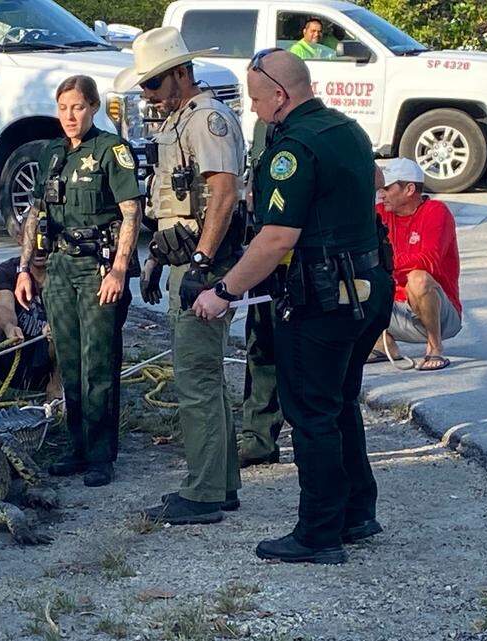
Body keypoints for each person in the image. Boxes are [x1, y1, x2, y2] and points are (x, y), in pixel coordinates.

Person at [192, 49, 393, 564]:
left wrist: (223, 293)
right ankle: (356, 512)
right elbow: (369, 185)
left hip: (321, 299)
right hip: (368, 287)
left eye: (258, 101)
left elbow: (278, 236)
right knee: (340, 402)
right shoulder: (344, 128)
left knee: (310, 414)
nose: (255, 111)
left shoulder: (294, 147)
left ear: (280, 95)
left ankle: (319, 534)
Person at [114, 26, 244, 524]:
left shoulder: (205, 118)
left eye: (152, 84)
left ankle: (205, 490)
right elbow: (174, 204)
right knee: (201, 374)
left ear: (180, 74)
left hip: (204, 264)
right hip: (184, 257)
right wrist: (156, 259)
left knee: (195, 375)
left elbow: (224, 193)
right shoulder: (178, 120)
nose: (146, 94)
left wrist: (203, 264)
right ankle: (221, 482)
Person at [14, 74, 142, 488]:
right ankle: (77, 448)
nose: (70, 116)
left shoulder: (111, 151)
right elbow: (35, 212)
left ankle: (102, 456)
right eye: (64, 107)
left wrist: (120, 270)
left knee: (98, 362)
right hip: (59, 267)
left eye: (79, 107)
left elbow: (130, 213)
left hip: (98, 268)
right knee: (68, 360)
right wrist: (24, 268)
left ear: (94, 108)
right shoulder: (53, 153)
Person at [373, 157, 462, 371]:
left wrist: (386, 263)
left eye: (387, 188)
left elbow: (428, 259)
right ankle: (383, 345)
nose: (381, 193)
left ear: (409, 189)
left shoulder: (436, 211)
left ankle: (434, 346)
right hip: (395, 310)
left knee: (418, 278)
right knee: (352, 274)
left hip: (441, 315)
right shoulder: (380, 212)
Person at [237, 118, 286, 468]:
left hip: (301, 259)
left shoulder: (313, 131)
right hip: (264, 253)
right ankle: (259, 437)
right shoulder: (259, 128)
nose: (253, 105)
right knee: (260, 345)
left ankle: (310, 434)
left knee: (299, 355)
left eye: (258, 97)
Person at [0, 243, 62, 406]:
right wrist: (9, 327)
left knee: (65, 324)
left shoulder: (67, 273)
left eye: (43, 239)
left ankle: (55, 386)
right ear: (22, 240)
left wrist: (57, 324)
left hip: (51, 355)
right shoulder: (5, 271)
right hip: (13, 352)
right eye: (32, 240)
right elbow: (3, 306)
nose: (39, 246)